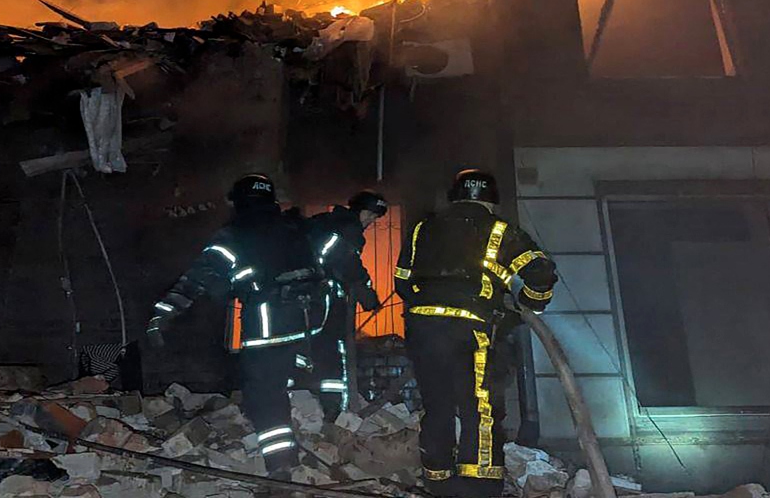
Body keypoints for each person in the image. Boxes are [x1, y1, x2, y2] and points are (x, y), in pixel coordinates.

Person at [146, 173, 328, 479]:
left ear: (239, 202)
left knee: (264, 396)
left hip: (267, 331)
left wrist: (163, 314)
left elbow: (196, 279)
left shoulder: (234, 235)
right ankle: (309, 441)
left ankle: (280, 465)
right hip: (307, 327)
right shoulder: (294, 228)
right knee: (280, 388)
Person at [394, 169, 557, 497]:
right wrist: (526, 306)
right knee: (479, 406)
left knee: (436, 403)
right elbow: (541, 272)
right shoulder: (499, 230)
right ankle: (479, 485)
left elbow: (402, 281)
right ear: (492, 202)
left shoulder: (423, 228)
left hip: (422, 328)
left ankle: (438, 481)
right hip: (470, 330)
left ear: (455, 197)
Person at [304, 190, 388, 417]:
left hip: (307, 298)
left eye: (375, 218)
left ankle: (307, 401)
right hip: (325, 298)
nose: (371, 221)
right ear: (357, 210)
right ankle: (333, 410)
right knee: (331, 348)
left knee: (310, 347)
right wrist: (366, 292)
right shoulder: (349, 229)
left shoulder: (325, 222)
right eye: (369, 215)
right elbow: (347, 262)